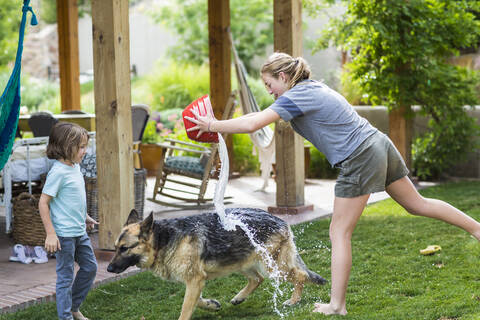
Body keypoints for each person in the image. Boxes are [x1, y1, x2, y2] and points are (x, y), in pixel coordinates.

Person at [185, 52, 480, 316]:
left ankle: (337, 305)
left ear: (283, 77)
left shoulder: (297, 95)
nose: (269, 90)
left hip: (360, 156)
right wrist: (218, 123)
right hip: (378, 144)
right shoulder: (308, 89)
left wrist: (211, 126)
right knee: (418, 204)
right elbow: (256, 117)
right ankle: (477, 229)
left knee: (339, 231)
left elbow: (252, 125)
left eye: (269, 84)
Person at [39, 122, 98, 320]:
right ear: (65, 147)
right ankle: (66, 317)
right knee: (65, 278)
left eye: (85, 146)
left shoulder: (75, 167)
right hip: (63, 235)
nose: (85, 151)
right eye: (81, 147)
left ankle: (73, 307)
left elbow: (72, 199)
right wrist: (50, 233)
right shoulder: (57, 172)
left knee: (90, 268)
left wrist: (85, 216)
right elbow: (43, 203)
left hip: (79, 231)